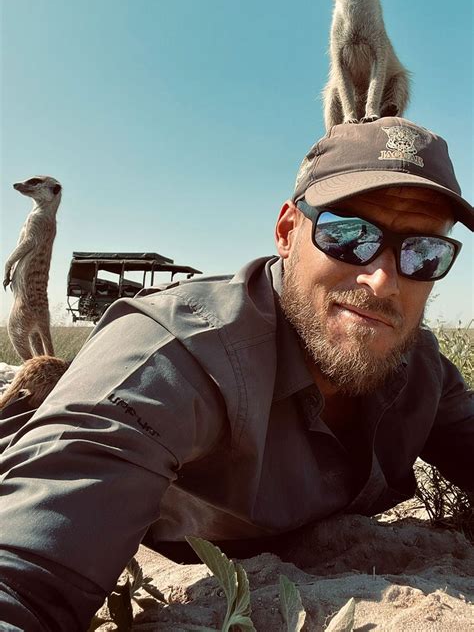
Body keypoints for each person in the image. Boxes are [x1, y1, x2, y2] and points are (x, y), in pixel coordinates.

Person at [1, 116, 473, 631]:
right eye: (348, 234)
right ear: (288, 232)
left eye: (423, 253)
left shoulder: (419, 367)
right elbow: (23, 573)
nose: (383, 280)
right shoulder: (177, 357)